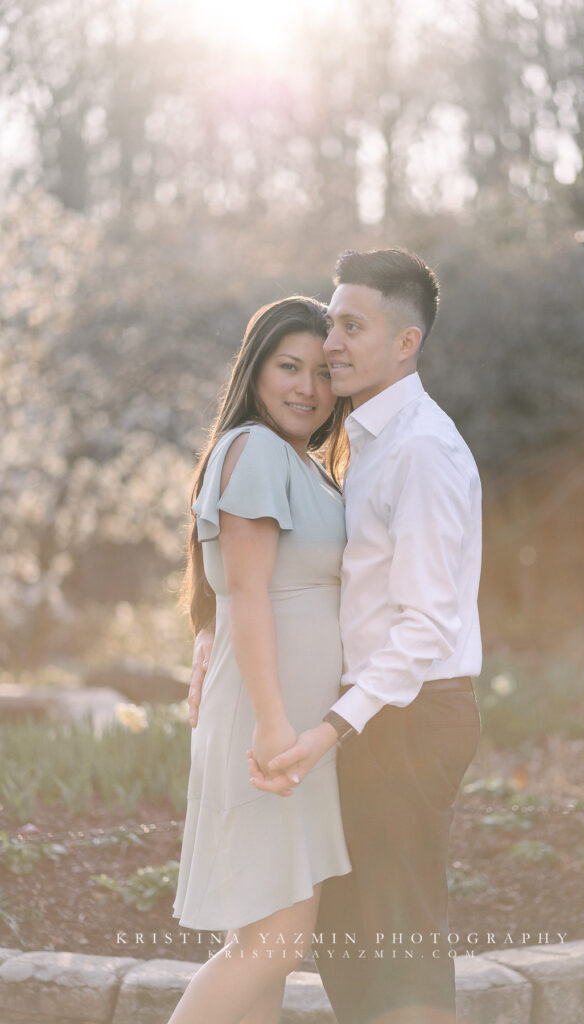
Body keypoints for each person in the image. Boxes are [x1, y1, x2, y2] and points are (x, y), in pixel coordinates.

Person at [193, 249, 483, 1024]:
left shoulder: (415, 448)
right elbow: (246, 576)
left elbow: (425, 627)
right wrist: (215, 647)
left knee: (392, 953)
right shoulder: (350, 444)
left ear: (405, 341)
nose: (331, 352)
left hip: (398, 717)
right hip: (335, 721)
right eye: (330, 330)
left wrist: (329, 727)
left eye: (350, 330)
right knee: (327, 948)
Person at [168, 296, 353, 1024]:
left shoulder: (303, 462)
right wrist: (274, 726)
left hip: (295, 721)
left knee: (264, 941)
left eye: (321, 371)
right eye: (288, 367)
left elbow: (242, 592)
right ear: (255, 371)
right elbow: (244, 591)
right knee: (274, 942)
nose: (306, 387)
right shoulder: (253, 449)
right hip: (268, 721)